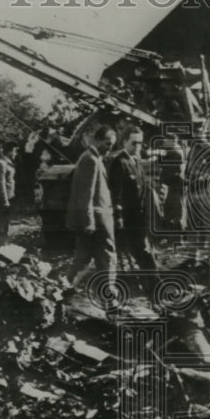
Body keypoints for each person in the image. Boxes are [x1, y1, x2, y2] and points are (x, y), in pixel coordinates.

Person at [65, 126, 119, 311]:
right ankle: (108, 298)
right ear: (97, 140)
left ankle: (64, 290)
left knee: (83, 259)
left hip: (95, 218)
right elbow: (84, 194)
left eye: (112, 145)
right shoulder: (90, 160)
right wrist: (88, 221)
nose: (109, 147)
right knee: (107, 256)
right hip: (97, 219)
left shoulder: (93, 158)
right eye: (107, 143)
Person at [107, 126, 161, 297]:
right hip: (129, 219)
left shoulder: (136, 160)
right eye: (133, 142)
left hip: (140, 217)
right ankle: (154, 287)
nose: (138, 146)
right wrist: (119, 219)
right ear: (124, 142)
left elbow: (143, 189)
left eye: (140, 143)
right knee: (143, 252)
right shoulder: (119, 162)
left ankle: (152, 286)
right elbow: (116, 194)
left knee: (144, 252)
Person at [186, 122, 210, 265]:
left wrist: (205, 176)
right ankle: (192, 255)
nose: (197, 133)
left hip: (207, 189)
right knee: (192, 224)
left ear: (205, 131)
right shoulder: (192, 149)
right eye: (195, 130)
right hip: (193, 189)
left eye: (200, 130)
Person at [0, 141, 18, 243]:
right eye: (15, 151)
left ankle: (2, 241)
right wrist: (5, 200)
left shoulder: (7, 163)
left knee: (5, 221)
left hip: (7, 197)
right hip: (1, 198)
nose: (16, 153)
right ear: (9, 152)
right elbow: (0, 183)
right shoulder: (1, 164)